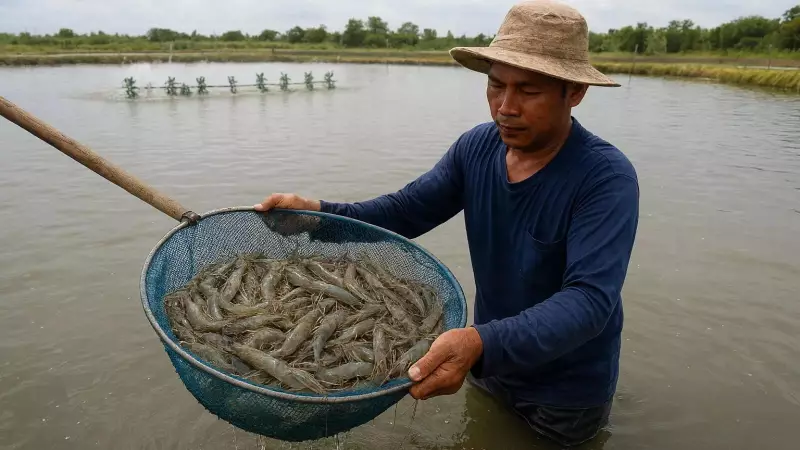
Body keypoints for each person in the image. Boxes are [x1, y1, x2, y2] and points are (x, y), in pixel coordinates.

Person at [254, 0, 639, 446]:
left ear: (574, 92)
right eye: (496, 86)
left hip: (564, 391)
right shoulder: (476, 148)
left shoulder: (604, 178)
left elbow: (589, 301)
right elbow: (403, 212)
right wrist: (316, 215)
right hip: (486, 360)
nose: (505, 107)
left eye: (528, 92)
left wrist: (479, 343)